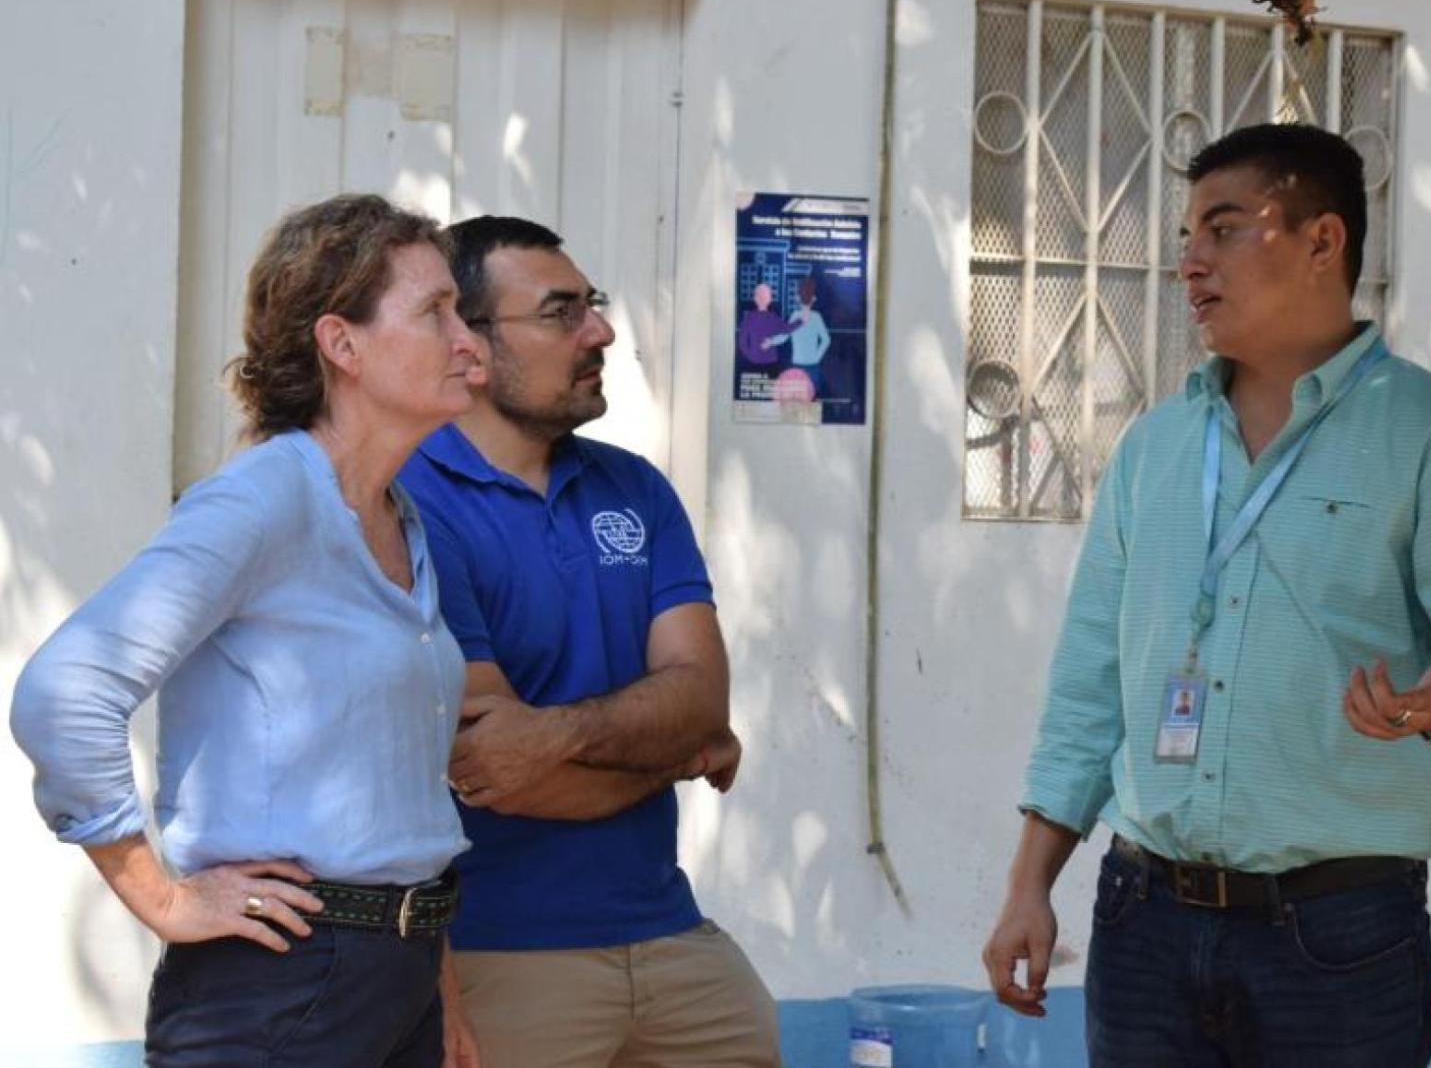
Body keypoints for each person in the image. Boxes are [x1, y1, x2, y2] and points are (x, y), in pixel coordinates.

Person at [982, 124, 1431, 1067]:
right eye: (1185, 237)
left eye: (1222, 229)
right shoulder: (1153, 448)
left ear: (1322, 241)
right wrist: (1028, 885)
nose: (1189, 263)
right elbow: (1088, 687)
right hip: (1144, 923)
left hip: (1338, 938)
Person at [10, 194, 486, 1066]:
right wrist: (163, 899)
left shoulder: (401, 516)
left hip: (399, 978)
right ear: (341, 344)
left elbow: (398, 792)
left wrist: (439, 991)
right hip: (276, 981)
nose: (471, 340)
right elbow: (63, 691)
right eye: (435, 311)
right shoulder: (262, 498)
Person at [397, 216, 780, 1067]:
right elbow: (495, 767)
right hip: (503, 952)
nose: (600, 331)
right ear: (471, 342)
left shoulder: (636, 488)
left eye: (592, 306)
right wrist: (675, 754)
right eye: (561, 312)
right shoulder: (411, 503)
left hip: (675, 938)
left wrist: (563, 734)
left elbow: (700, 697)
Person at [761, 276, 832, 392]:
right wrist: (816, 357)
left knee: (799, 398)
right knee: (809, 398)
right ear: (814, 299)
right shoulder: (815, 317)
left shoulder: (797, 316)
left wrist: (770, 342)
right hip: (809, 365)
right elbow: (826, 340)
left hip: (800, 365)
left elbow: (784, 336)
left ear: (797, 298)